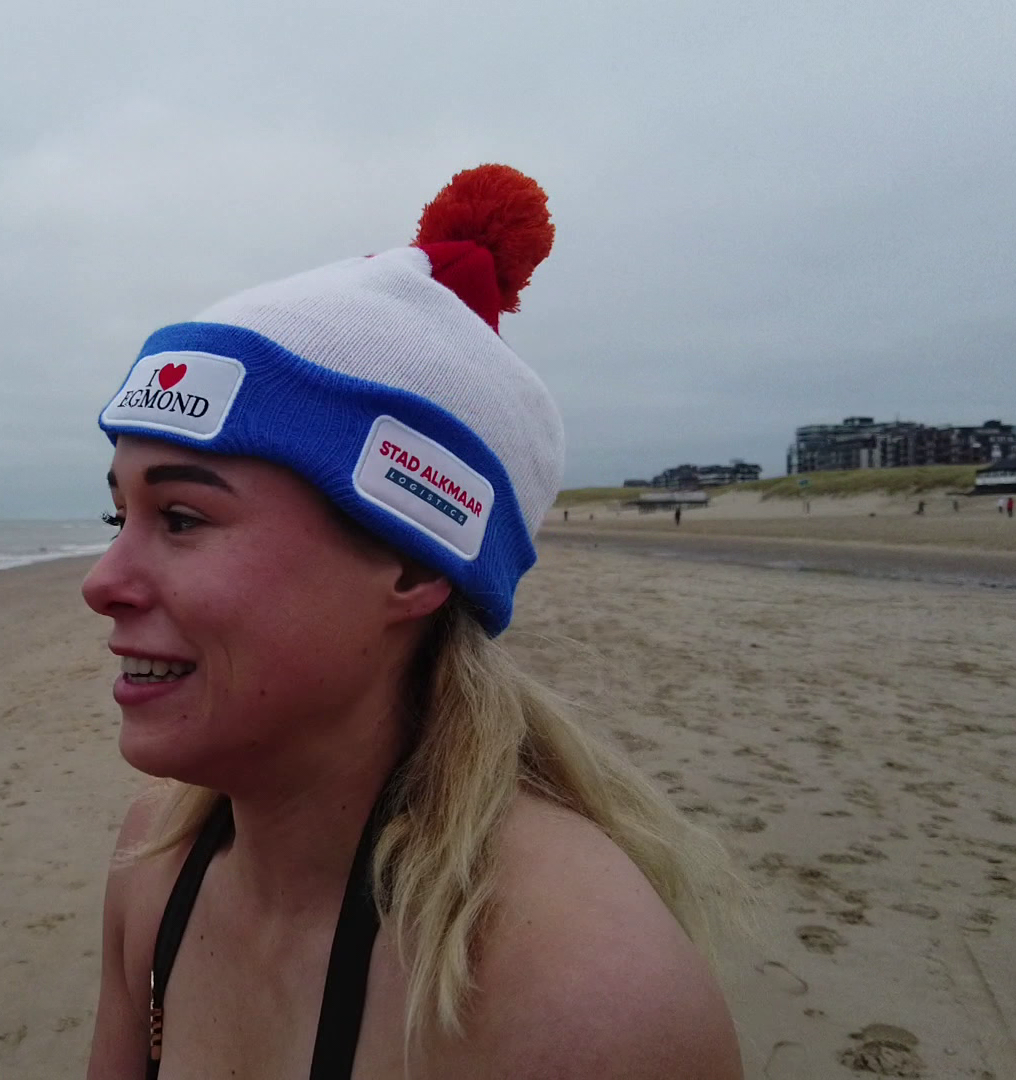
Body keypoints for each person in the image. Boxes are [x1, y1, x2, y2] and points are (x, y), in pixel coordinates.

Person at [82, 166, 743, 1079]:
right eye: (117, 516)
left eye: (183, 518)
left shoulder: (585, 998)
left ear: (417, 562)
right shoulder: (155, 863)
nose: (103, 583)